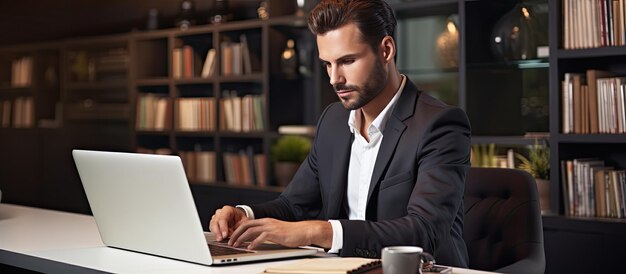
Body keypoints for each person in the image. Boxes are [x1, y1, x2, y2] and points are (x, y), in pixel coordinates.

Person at [209, 0, 470, 267]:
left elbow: (424, 232)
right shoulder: (333, 121)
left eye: (347, 61)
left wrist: (319, 231)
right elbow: (294, 206)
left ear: (386, 50)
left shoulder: (439, 125)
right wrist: (246, 215)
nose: (335, 79)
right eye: (328, 64)